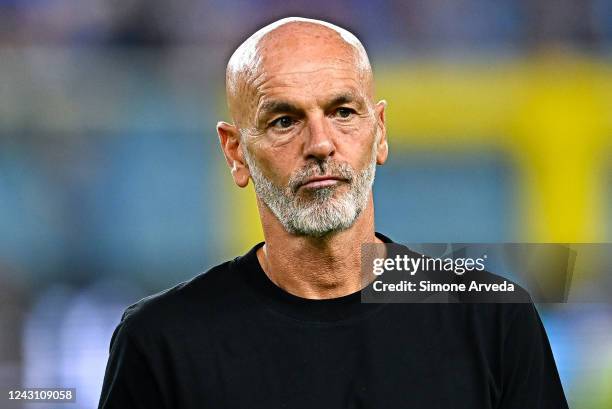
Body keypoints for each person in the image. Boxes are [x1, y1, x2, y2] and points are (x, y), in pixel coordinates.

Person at [98, 17, 568, 408]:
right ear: (236, 152)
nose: (321, 144)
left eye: (343, 112)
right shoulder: (162, 343)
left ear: (379, 132)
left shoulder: (492, 323)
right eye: (284, 121)